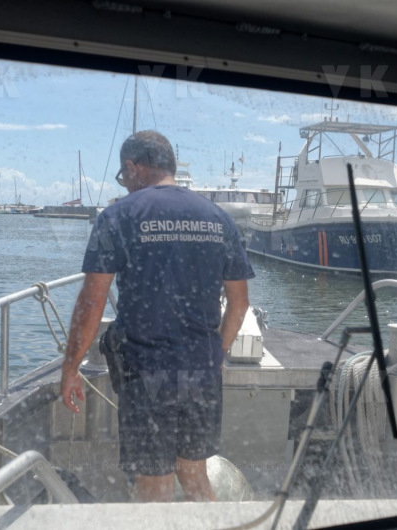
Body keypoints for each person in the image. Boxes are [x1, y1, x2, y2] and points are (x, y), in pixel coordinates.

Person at [60, 130, 254, 503]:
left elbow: (92, 303)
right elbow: (239, 303)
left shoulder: (119, 215)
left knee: (154, 484)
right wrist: (218, 355)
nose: (125, 182)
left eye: (123, 175)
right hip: (202, 370)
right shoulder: (218, 218)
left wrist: (71, 367)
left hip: (147, 370)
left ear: (133, 167)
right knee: (194, 474)